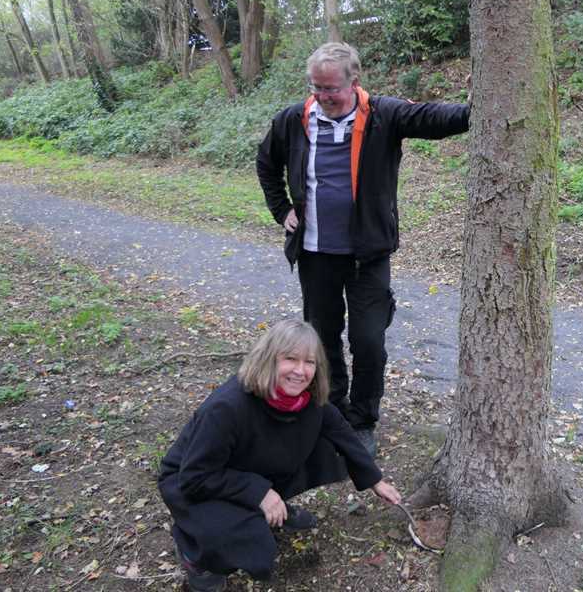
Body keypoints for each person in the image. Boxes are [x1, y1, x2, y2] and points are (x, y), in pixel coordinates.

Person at [257, 42, 470, 456]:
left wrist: (473, 110)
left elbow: (431, 117)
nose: (323, 95)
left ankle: (363, 418)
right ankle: (331, 413)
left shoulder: (383, 115)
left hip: (367, 255)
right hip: (316, 255)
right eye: (316, 87)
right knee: (322, 337)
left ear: (354, 81)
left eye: (331, 88)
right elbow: (267, 164)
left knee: (369, 339)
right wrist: (281, 210)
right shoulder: (293, 120)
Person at [158, 318, 401, 591]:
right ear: (269, 359)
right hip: (189, 482)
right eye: (290, 359)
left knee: (322, 445)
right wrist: (258, 492)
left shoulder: (306, 399)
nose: (300, 371)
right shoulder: (227, 407)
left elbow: (342, 433)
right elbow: (193, 477)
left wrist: (374, 479)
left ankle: (269, 509)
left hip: (238, 468)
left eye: (309, 362)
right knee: (255, 549)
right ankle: (196, 555)